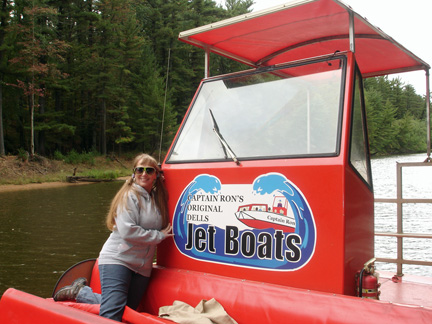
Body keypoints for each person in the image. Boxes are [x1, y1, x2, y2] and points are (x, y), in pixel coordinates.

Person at [54, 153, 174, 322]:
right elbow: (128, 231)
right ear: (134, 173)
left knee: (126, 309)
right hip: (118, 259)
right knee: (112, 313)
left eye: (149, 170)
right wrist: (159, 236)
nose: (144, 174)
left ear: (156, 175)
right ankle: (80, 292)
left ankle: (80, 292)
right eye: (140, 169)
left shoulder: (157, 199)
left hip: (142, 266)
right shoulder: (129, 196)